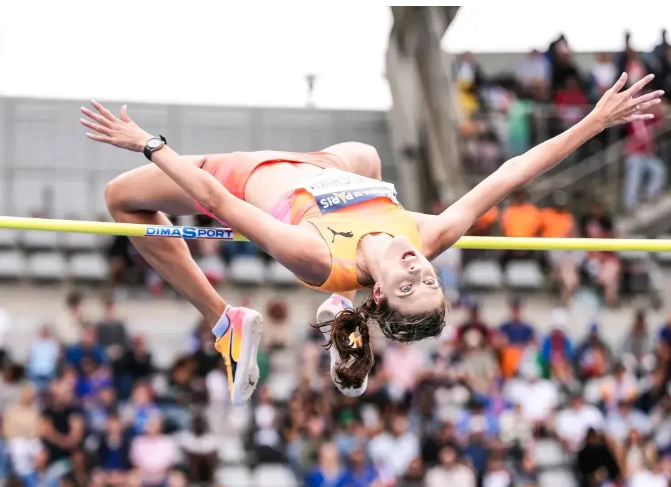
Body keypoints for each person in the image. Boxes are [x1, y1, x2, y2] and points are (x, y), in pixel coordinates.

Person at [80, 74, 663, 402]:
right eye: (429, 278)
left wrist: (149, 144)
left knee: (120, 199)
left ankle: (224, 320)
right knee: (367, 154)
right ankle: (335, 314)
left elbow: (218, 202)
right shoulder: (431, 236)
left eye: (410, 286)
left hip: (245, 171)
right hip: (329, 164)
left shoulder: (315, 257)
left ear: (381, 296)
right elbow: (511, 174)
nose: (418, 268)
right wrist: (593, 122)